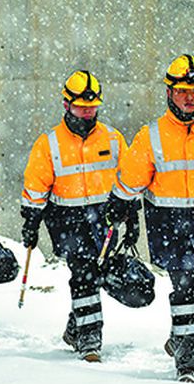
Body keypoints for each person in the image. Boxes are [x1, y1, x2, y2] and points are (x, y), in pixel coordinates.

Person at [106, 54, 194, 382]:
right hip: (169, 224)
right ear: (169, 92)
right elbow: (131, 178)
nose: (188, 96)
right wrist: (119, 203)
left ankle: (180, 337)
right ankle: (188, 361)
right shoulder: (151, 135)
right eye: (181, 90)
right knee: (186, 287)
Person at [21, 69, 128, 362]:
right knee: (83, 274)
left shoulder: (114, 139)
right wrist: (31, 220)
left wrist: (131, 218)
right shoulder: (49, 143)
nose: (87, 113)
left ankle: (76, 326)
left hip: (105, 219)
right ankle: (90, 341)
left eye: (93, 107)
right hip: (66, 219)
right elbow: (35, 185)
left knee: (97, 275)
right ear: (66, 105)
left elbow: (128, 180)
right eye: (82, 107)